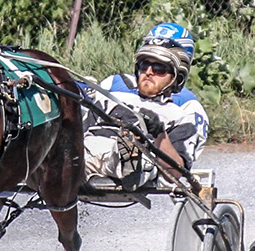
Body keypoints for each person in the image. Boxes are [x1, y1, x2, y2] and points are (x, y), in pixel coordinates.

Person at [84, 22, 210, 187]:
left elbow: (176, 171)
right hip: (85, 148)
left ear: (177, 77)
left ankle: (130, 159)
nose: (149, 72)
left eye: (159, 68)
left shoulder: (183, 112)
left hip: (129, 157)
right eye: (144, 65)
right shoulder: (112, 88)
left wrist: (159, 133)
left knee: (135, 153)